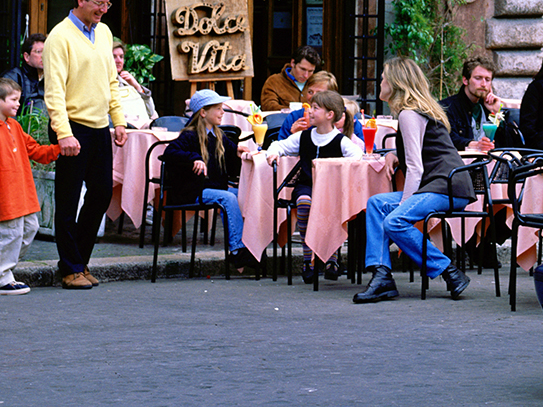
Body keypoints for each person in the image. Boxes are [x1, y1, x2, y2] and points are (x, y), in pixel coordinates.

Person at [354, 58, 475, 303]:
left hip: (446, 186)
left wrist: (403, 206)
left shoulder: (409, 114)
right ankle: (382, 276)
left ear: (397, 83)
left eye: (384, 78)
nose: (380, 82)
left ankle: (449, 272)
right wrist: (393, 154)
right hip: (441, 185)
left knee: (395, 221)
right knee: (377, 204)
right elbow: (423, 150)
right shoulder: (415, 112)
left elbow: (415, 168)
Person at [43, 0, 128, 290]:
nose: (103, 9)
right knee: (67, 199)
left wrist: (118, 120)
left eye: (107, 4)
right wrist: (63, 133)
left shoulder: (104, 33)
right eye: (98, 3)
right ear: (80, 0)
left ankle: (78, 260)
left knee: (102, 193)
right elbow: (53, 92)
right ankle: (70, 267)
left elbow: (111, 81)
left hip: (98, 126)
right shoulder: (59, 37)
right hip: (71, 127)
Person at [0, 78, 61, 295]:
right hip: (3, 197)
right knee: (10, 235)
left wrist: (58, 149)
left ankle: (1, 264)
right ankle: (0, 278)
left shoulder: (14, 125)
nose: (19, 103)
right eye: (14, 99)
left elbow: (35, 150)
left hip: (22, 195)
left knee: (28, 230)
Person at [260, 89, 363, 283]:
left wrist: (337, 167)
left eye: (315, 108)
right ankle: (309, 259)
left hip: (331, 190)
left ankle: (332, 257)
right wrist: (273, 153)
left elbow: (357, 156)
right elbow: (280, 145)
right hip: (306, 185)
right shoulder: (304, 137)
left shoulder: (341, 140)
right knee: (304, 203)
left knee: (333, 209)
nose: (311, 111)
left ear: (329, 115)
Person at [161, 90, 260, 274]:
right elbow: (169, 153)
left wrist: (238, 152)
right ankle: (238, 250)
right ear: (203, 112)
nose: (222, 112)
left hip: (213, 188)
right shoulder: (190, 135)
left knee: (241, 195)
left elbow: (231, 161)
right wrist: (193, 158)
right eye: (218, 109)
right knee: (228, 198)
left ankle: (248, 247)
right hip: (193, 190)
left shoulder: (219, 135)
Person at [440, 59, 521, 152]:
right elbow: (448, 139)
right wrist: (474, 145)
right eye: (478, 78)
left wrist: (495, 113)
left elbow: (509, 145)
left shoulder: (489, 107)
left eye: (487, 80)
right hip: (462, 163)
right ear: (465, 80)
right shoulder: (447, 107)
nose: (483, 84)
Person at [276, 71, 363, 140]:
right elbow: (280, 152)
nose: (313, 97)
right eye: (310, 92)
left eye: (319, 93)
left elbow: (367, 149)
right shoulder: (295, 117)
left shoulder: (344, 117)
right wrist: (295, 135)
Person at [111, 42, 159, 127]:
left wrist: (136, 85)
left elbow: (150, 112)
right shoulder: (100, 82)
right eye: (114, 57)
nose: (119, 61)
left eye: (121, 57)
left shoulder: (127, 81)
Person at [259, 45, 320, 111]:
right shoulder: (274, 81)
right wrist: (295, 111)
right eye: (302, 69)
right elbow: (268, 107)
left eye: (310, 71)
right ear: (293, 63)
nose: (306, 75)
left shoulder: (317, 82)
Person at [3, 35, 45, 117]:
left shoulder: (52, 77)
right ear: (26, 57)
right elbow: (6, 112)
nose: (43, 56)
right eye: (39, 52)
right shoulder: (14, 77)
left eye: (46, 52)